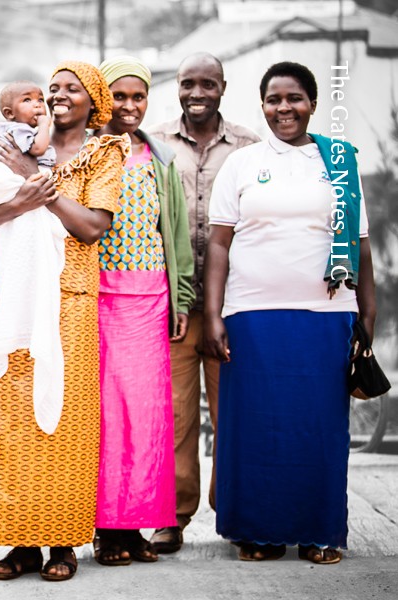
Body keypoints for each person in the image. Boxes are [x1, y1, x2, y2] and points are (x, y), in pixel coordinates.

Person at [203, 61, 375, 565]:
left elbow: (361, 245)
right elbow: (219, 244)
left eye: (295, 98)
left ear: (313, 104)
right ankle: (258, 533)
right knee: (255, 426)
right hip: (252, 315)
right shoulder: (242, 163)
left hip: (325, 314)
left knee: (319, 427)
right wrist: (213, 314)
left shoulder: (339, 163)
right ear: (262, 105)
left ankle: (321, 532)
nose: (284, 108)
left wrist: (367, 317)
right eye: (274, 99)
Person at [0, 61, 126, 583]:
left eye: (70, 89)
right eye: (52, 88)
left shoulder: (105, 153)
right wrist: (20, 180)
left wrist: (34, 180)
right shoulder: (10, 144)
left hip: (71, 299)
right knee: (9, 415)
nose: (57, 96)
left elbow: (93, 227)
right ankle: (20, 543)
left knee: (63, 417)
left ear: (94, 102)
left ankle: (62, 542)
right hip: (14, 293)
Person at [147, 53, 259, 554]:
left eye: (207, 84)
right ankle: (172, 516)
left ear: (223, 88)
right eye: (188, 83)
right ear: (177, 87)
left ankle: (236, 512)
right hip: (173, 304)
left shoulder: (250, 147)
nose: (197, 93)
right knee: (176, 417)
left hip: (231, 304)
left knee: (234, 414)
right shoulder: (154, 143)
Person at [91, 56, 193, 565]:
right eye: (119, 96)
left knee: (147, 417)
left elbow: (174, 232)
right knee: (108, 417)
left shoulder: (159, 158)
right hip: (99, 299)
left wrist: (181, 298)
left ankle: (135, 525)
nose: (129, 106)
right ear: (101, 97)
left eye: (138, 97)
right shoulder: (86, 151)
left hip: (151, 301)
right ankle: (107, 529)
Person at [0, 81, 55, 171]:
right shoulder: (18, 129)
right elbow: (38, 149)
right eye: (27, 100)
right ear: (9, 113)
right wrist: (44, 125)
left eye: (40, 100)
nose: (37, 105)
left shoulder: (17, 130)